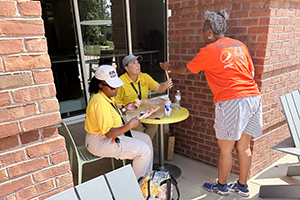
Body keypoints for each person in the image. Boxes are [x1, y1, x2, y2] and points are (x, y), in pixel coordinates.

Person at [159, 10, 262, 197]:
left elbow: (186, 69)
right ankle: (242, 186)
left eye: (202, 31)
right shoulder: (240, 46)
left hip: (232, 101)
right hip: (253, 97)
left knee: (225, 149)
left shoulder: (209, 50)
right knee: (244, 147)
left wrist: (169, 67)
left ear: (209, 32)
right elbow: (251, 74)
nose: (202, 34)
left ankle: (221, 187)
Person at [85, 64, 153, 180]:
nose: (116, 90)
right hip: (99, 141)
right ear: (100, 85)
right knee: (143, 151)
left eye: (117, 86)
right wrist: (129, 126)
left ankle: (147, 179)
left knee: (146, 139)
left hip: (111, 135)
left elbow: (111, 115)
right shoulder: (99, 102)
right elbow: (109, 133)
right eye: (113, 87)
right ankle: (138, 186)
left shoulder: (106, 95)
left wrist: (125, 108)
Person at [115, 54, 173, 140]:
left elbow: (158, 89)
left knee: (154, 124)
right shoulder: (121, 82)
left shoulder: (144, 76)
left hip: (144, 110)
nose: (138, 65)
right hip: (129, 112)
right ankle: (144, 146)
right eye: (133, 63)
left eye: (138, 62)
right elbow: (118, 107)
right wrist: (125, 109)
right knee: (139, 129)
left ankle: (145, 144)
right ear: (126, 68)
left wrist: (165, 85)